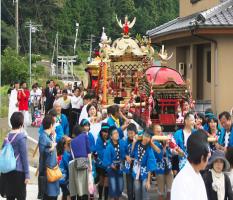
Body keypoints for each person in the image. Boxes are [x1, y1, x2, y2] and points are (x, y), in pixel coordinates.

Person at [171, 130, 210, 200]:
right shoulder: (182, 181)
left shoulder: (196, 173)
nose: (208, 160)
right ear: (202, 158)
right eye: (207, 157)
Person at [0, 112, 30, 200]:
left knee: (10, 197)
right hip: (19, 173)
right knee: (21, 197)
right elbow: (24, 158)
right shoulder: (21, 138)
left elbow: (3, 151)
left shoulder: (7, 136)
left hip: (7, 171)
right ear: (21, 124)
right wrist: (27, 175)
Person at [39, 115, 60, 200]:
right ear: (51, 125)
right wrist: (51, 149)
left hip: (51, 171)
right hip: (48, 172)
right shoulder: (43, 137)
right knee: (49, 196)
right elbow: (43, 153)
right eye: (54, 125)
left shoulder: (48, 136)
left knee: (52, 195)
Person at [69, 125, 92, 200]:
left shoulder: (72, 142)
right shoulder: (85, 136)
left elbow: (72, 155)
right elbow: (88, 152)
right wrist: (90, 165)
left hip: (76, 165)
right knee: (85, 187)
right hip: (85, 164)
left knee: (78, 187)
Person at [152, 125, 174, 200]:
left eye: (160, 131)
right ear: (153, 132)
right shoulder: (153, 142)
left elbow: (170, 153)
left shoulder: (164, 139)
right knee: (161, 191)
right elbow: (158, 156)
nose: (159, 132)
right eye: (157, 131)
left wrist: (169, 145)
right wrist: (164, 147)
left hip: (168, 166)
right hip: (159, 168)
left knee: (170, 190)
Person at [132, 131, 156, 200]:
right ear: (142, 136)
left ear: (150, 139)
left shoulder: (149, 149)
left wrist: (148, 181)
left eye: (148, 137)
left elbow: (150, 164)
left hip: (145, 172)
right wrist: (133, 142)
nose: (146, 138)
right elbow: (132, 153)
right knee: (137, 188)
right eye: (145, 136)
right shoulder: (137, 144)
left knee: (144, 187)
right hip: (136, 170)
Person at [103, 127, 126, 200]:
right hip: (112, 170)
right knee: (113, 187)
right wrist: (111, 165)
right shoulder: (109, 147)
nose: (117, 134)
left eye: (117, 133)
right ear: (111, 136)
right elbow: (106, 160)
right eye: (114, 133)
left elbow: (125, 153)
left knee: (120, 186)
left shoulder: (121, 143)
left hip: (120, 168)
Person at [96, 123, 110, 200]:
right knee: (101, 181)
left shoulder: (110, 139)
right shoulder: (98, 140)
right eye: (104, 131)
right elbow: (99, 152)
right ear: (101, 131)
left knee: (107, 183)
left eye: (107, 131)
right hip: (101, 164)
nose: (106, 133)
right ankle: (100, 197)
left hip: (108, 165)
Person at [124, 123, 137, 200]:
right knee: (129, 185)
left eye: (132, 133)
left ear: (135, 132)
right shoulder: (125, 142)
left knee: (136, 185)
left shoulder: (138, 141)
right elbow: (123, 152)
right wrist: (126, 156)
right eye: (129, 133)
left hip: (137, 166)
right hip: (128, 166)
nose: (131, 135)